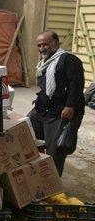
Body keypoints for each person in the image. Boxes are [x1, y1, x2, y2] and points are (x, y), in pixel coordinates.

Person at [27, 31, 85, 176]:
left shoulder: (69, 60)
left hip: (61, 112)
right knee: (25, 132)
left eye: (45, 44)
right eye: (39, 45)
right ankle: (37, 171)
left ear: (56, 44)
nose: (42, 48)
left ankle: (52, 184)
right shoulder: (44, 64)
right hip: (43, 110)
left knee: (55, 152)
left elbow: (76, 84)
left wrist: (70, 105)